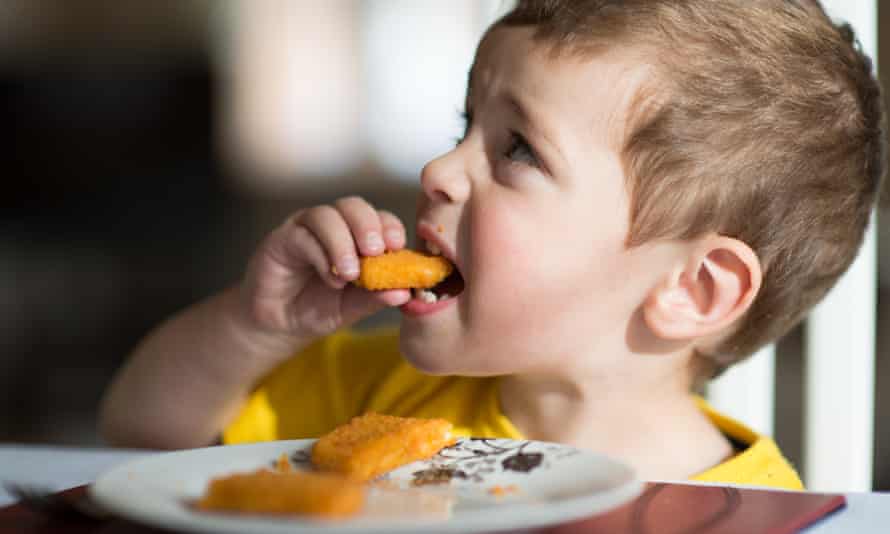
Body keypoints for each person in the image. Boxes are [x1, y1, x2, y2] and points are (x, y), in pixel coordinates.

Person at [100, 0, 885, 490]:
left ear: (693, 290)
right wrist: (255, 326)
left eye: (518, 151)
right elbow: (144, 436)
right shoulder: (375, 398)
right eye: (462, 127)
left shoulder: (753, 515)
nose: (438, 169)